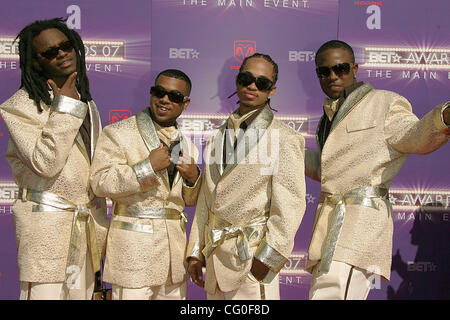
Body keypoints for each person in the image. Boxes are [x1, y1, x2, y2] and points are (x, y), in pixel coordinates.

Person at [304, 40, 450, 300]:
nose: (333, 76)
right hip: (328, 230)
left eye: (341, 68)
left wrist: (445, 115)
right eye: (324, 71)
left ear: (355, 68)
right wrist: (286, 152)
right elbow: (330, 171)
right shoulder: (328, 117)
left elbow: (414, 134)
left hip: (359, 226)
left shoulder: (384, 103)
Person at [0, 18, 108, 300]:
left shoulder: (87, 103)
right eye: (50, 52)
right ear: (35, 62)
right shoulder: (20, 106)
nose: (61, 54)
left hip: (84, 229)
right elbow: (46, 163)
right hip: (45, 230)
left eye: (65, 46)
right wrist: (66, 107)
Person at [186, 53, 306, 300]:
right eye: (246, 78)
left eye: (262, 83)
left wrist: (269, 258)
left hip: (252, 259)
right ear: (237, 81)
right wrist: (196, 251)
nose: (252, 86)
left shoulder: (285, 138)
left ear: (272, 90)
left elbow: (290, 205)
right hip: (215, 259)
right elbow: (206, 201)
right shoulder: (216, 137)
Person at [90, 69, 202, 300]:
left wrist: (193, 179)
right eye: (159, 92)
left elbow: (186, 202)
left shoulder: (188, 146)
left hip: (174, 257)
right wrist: (146, 168)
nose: (164, 99)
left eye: (175, 97)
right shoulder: (118, 133)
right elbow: (100, 182)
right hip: (132, 253)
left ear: (186, 103)